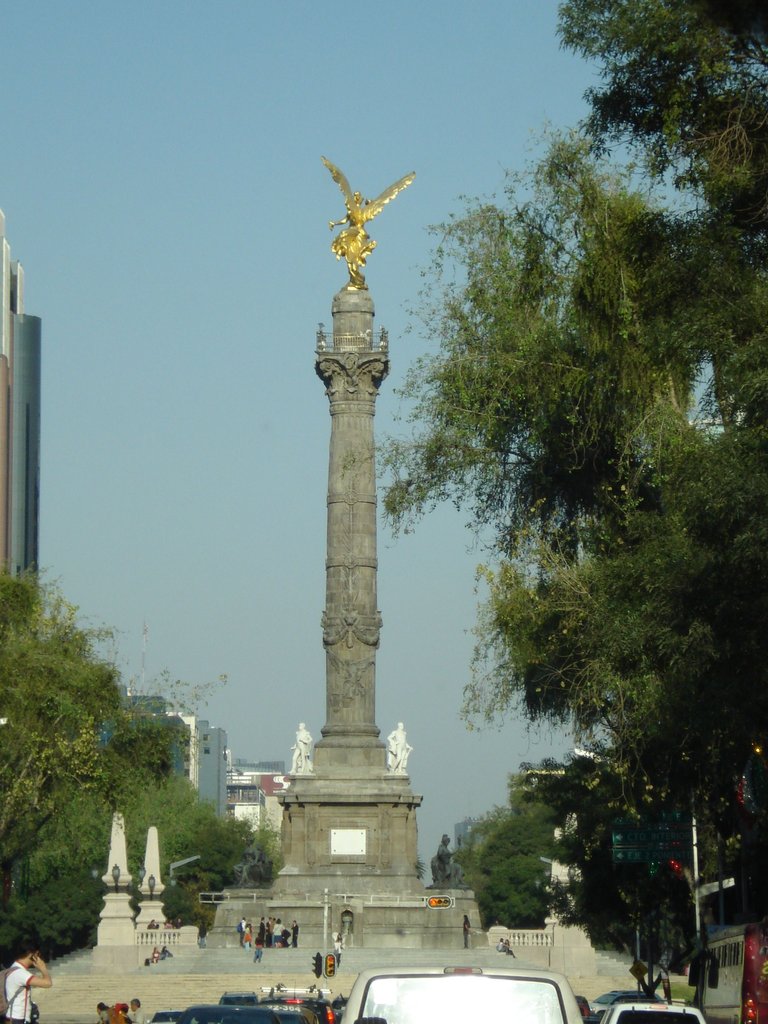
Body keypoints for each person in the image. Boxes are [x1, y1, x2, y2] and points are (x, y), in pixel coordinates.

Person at [4, 949, 52, 1024]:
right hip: (17, 1018)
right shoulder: (20, 973)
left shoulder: (13, 968)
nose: (39, 957)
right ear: (31, 954)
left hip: (12, 1016)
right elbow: (48, 983)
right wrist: (43, 968)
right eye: (37, 954)